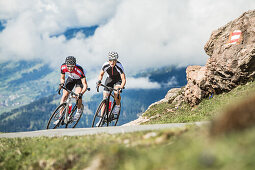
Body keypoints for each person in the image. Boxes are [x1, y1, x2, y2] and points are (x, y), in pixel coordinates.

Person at [54, 56, 88, 124]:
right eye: (68, 66)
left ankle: (79, 110)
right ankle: (60, 117)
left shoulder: (79, 70)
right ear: (66, 65)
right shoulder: (63, 67)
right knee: (64, 96)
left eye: (72, 66)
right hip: (70, 79)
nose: (69, 68)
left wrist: (81, 93)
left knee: (77, 96)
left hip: (79, 81)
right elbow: (62, 78)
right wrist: (62, 83)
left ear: (74, 65)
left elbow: (85, 85)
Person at [96, 51, 126, 125]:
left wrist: (121, 87)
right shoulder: (105, 65)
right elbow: (101, 74)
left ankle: (117, 107)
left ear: (116, 60)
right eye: (110, 60)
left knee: (116, 92)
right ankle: (101, 119)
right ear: (108, 60)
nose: (112, 62)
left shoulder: (119, 66)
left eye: (114, 60)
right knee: (105, 97)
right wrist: (99, 81)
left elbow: (123, 79)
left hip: (118, 80)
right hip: (109, 79)